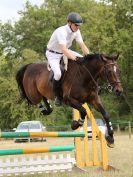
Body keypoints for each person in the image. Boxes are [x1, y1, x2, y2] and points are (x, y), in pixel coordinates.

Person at [46, 12, 90, 106]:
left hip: (65, 52)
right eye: (76, 25)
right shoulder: (61, 31)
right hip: (53, 54)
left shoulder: (76, 31)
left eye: (79, 26)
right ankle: (57, 95)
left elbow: (82, 45)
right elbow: (64, 49)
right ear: (69, 23)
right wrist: (75, 59)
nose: (78, 27)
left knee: (85, 61)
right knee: (57, 74)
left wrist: (89, 57)